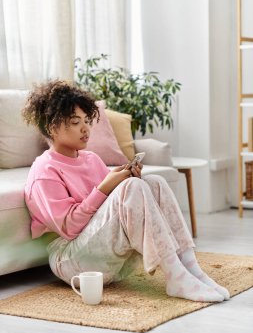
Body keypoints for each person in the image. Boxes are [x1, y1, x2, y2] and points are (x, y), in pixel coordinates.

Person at [23, 80, 230, 302]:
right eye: (75, 122)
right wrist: (106, 187)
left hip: (109, 258)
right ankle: (176, 277)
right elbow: (70, 228)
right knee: (131, 187)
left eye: (87, 121)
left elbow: (113, 208)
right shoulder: (44, 170)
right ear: (53, 127)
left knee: (155, 183)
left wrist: (131, 182)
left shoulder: (91, 159)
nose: (86, 129)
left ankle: (191, 269)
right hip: (73, 263)